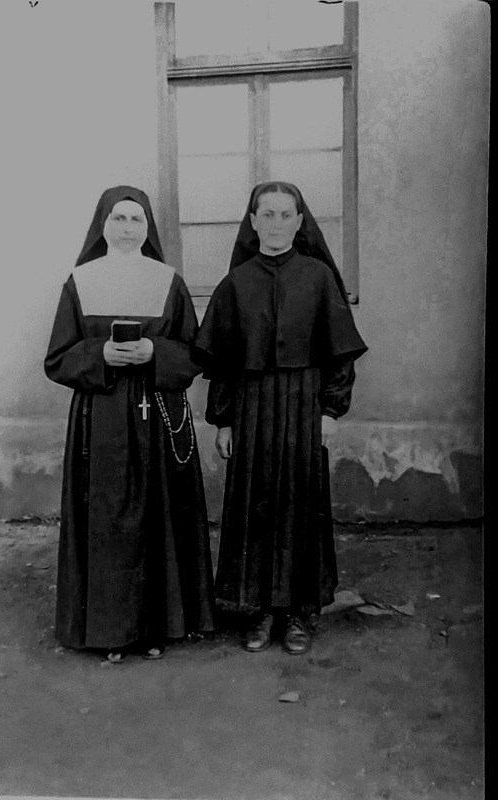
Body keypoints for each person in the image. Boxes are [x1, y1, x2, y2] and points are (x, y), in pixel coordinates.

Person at [193, 181, 367, 655]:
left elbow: (340, 355)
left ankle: (296, 614)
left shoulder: (318, 277)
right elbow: (222, 362)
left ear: (299, 221)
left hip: (303, 403)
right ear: (252, 222)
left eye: (285, 214)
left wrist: (330, 410)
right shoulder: (235, 284)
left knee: (299, 503)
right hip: (250, 405)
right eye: (266, 214)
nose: (275, 223)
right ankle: (259, 611)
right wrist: (223, 421)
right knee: (254, 503)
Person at [44, 185, 215, 662]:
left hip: (158, 411)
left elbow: (196, 352)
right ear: (102, 226)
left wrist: (154, 351)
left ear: (148, 228)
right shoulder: (80, 281)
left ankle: (156, 627)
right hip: (100, 416)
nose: (127, 228)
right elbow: (57, 358)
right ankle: (109, 632)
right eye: (118, 219)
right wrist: (99, 352)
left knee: (158, 515)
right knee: (108, 521)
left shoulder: (168, 281)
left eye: (136, 219)